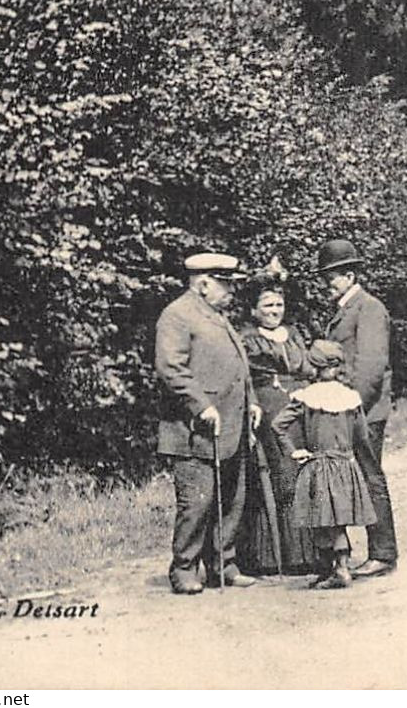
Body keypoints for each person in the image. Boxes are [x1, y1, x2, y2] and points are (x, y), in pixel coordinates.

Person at [154, 252, 260, 595]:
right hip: (193, 431)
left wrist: (253, 402)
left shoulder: (217, 316)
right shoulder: (177, 315)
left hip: (231, 426)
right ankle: (183, 567)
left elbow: (239, 367)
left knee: (231, 499)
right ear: (203, 284)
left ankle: (222, 564)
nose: (231, 291)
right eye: (225, 284)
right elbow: (171, 368)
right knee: (197, 502)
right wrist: (201, 405)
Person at [316, 238, 397, 577]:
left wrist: (352, 408)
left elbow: (371, 367)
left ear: (349, 275)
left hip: (363, 410)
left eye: (331, 277)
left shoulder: (369, 308)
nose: (326, 284)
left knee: (368, 477)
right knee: (355, 478)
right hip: (346, 409)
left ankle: (383, 553)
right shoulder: (344, 310)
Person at [273, 341, 377, 590]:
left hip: (318, 465)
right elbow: (363, 435)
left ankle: (333, 569)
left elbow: (278, 425)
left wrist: (294, 451)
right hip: (344, 463)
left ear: (314, 366)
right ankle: (340, 566)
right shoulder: (350, 398)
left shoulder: (307, 397)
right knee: (338, 519)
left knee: (321, 519)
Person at [237, 280, 319, 577]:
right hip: (270, 409)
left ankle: (308, 552)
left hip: (300, 408)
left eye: (279, 305)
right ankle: (272, 556)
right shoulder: (248, 338)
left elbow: (307, 366)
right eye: (268, 305)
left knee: (303, 469)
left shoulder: (294, 334)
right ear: (254, 310)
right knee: (279, 473)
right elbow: (247, 376)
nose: (274, 311)